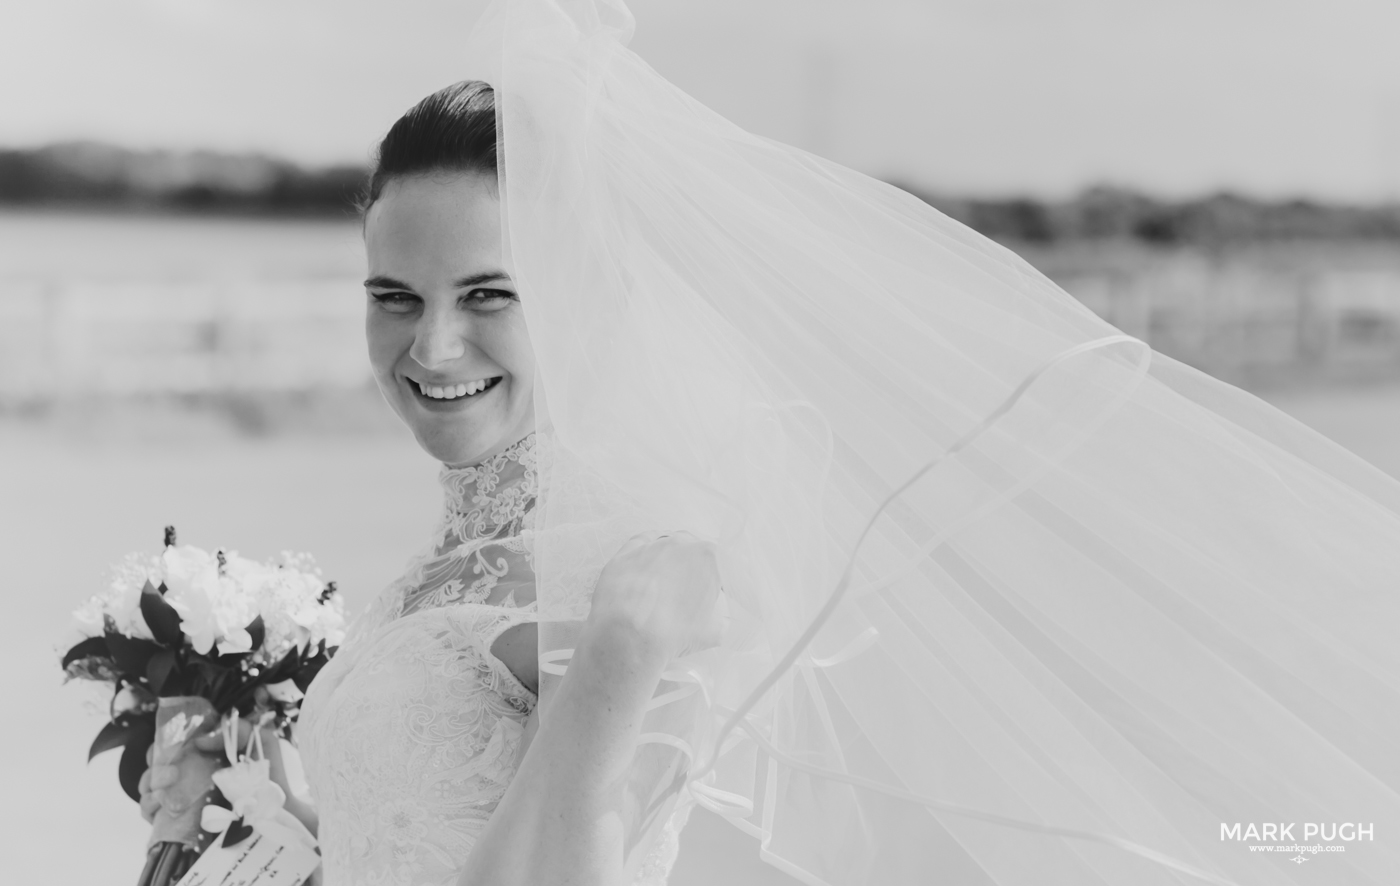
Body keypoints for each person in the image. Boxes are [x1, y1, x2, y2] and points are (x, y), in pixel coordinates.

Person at [142, 1, 1400, 885]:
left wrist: (623, 657)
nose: (433, 349)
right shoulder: (461, 554)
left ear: (589, 294)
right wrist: (266, 809)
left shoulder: (622, 573)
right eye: (394, 298)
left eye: (489, 294)